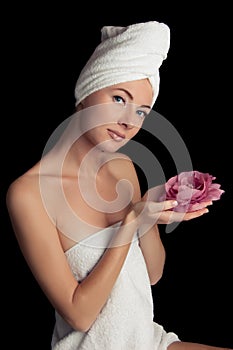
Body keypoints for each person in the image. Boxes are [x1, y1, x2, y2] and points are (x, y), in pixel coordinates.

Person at [6, 21, 231, 350]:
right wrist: (129, 222)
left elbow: (153, 274)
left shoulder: (123, 167)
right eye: (118, 98)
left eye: (141, 111)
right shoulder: (28, 194)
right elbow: (80, 315)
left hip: (148, 341)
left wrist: (149, 214)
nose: (129, 122)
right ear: (86, 92)